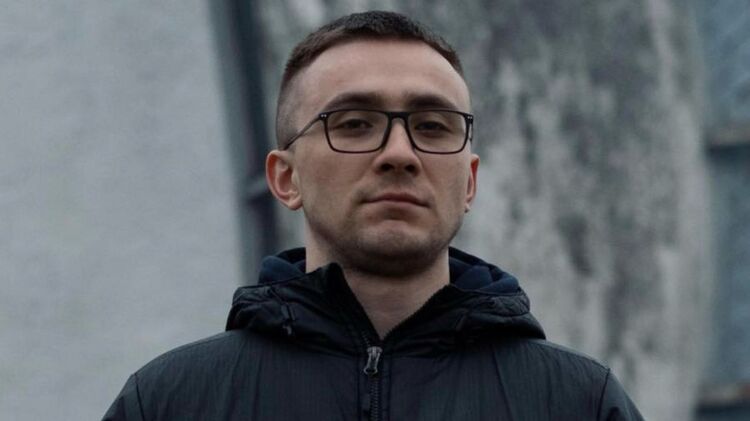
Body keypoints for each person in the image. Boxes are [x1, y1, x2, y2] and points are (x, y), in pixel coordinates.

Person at [103, 10, 643, 421]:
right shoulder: (171, 403)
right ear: (286, 178)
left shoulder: (579, 404)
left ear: (469, 182)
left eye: (432, 127)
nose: (399, 154)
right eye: (355, 124)